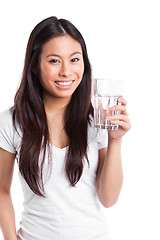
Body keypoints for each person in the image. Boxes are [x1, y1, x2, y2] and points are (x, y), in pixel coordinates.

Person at [0, 16, 131, 240]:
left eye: (74, 59)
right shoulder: (11, 121)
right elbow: (2, 191)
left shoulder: (97, 119)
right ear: (34, 65)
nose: (66, 72)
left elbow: (108, 199)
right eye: (54, 61)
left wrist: (116, 140)